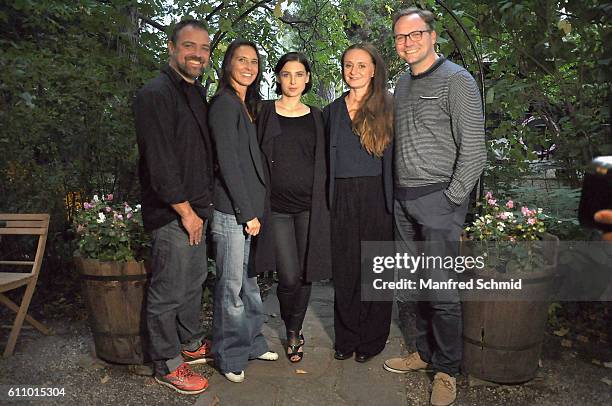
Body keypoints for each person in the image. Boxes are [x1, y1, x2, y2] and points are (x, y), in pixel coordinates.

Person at [383, 8, 486, 406]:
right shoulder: (403, 83)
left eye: (415, 35)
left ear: (433, 36)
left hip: (438, 199)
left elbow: (475, 151)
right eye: (400, 37)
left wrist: (450, 200)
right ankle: (423, 353)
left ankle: (447, 370)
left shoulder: (456, 80)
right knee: (413, 287)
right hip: (404, 201)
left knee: (441, 290)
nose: (407, 43)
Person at [133, 19, 214, 395]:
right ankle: (167, 362)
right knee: (167, 290)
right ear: (171, 47)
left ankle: (189, 342)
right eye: (189, 46)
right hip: (173, 213)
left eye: (204, 49)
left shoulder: (194, 92)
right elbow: (160, 161)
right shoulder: (156, 93)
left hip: (198, 209)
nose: (197, 54)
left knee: (193, 283)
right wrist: (185, 211)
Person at [208, 39, 278, 384]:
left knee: (249, 285)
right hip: (232, 213)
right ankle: (228, 355)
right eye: (241, 60)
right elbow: (228, 164)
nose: (248, 66)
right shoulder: (223, 104)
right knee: (230, 288)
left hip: (249, 213)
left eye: (254, 61)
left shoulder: (244, 104)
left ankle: (251, 343)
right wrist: (246, 212)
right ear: (228, 65)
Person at [256, 52, 332, 363]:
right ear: (277, 77)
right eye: (286, 74)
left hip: (309, 208)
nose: (292, 80)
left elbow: (325, 161)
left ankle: (294, 331)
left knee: (306, 273)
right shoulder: (263, 112)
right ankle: (291, 325)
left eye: (299, 74)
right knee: (288, 276)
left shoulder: (317, 116)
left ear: (308, 79)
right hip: (277, 208)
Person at [324, 43, 394, 363]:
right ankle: (346, 337)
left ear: (374, 70)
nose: (354, 71)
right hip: (341, 198)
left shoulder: (388, 107)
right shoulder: (331, 111)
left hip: (377, 197)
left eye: (361, 65)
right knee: (346, 271)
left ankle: (372, 339)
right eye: (348, 65)